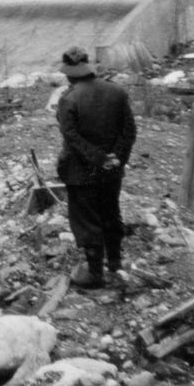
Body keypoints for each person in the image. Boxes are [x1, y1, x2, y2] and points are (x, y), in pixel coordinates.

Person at [54, 46, 138, 289]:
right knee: (111, 213)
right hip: (112, 169)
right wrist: (116, 158)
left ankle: (95, 274)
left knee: (87, 219)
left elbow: (73, 138)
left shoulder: (68, 99)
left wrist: (98, 158)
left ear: (70, 74)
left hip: (81, 172)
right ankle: (114, 262)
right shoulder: (117, 92)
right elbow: (129, 131)